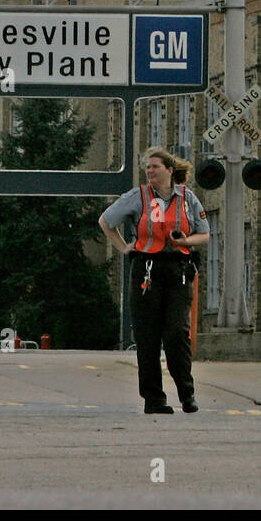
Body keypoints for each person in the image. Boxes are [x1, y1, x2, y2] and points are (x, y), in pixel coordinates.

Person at [99, 148, 209, 415]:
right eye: (147, 167)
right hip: (147, 270)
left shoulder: (187, 198)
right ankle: (154, 399)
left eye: (155, 167)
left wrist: (184, 241)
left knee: (176, 333)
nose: (150, 171)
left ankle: (187, 393)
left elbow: (204, 235)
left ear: (170, 170)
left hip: (178, 269)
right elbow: (106, 221)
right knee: (147, 337)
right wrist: (124, 247)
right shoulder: (138, 196)